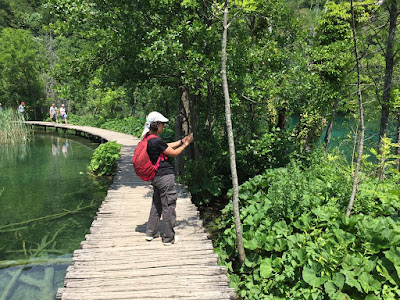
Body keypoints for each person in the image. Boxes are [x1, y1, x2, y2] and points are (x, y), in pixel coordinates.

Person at [143, 111, 194, 246]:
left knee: (157, 203)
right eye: (162, 124)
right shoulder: (156, 140)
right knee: (169, 205)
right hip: (164, 177)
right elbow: (174, 153)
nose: (163, 126)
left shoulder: (148, 138)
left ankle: (150, 232)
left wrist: (181, 141)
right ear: (156, 125)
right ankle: (168, 238)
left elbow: (166, 146)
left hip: (155, 177)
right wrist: (186, 144)